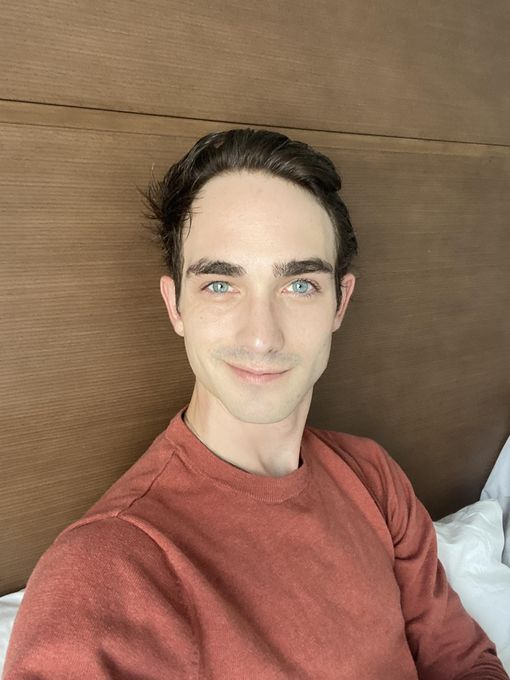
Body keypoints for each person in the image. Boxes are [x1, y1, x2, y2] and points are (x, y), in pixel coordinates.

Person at [3, 128, 508, 679]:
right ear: (176, 306)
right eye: (220, 284)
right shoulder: (108, 572)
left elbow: (462, 660)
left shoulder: (373, 477)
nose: (263, 337)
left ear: (340, 304)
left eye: (300, 285)